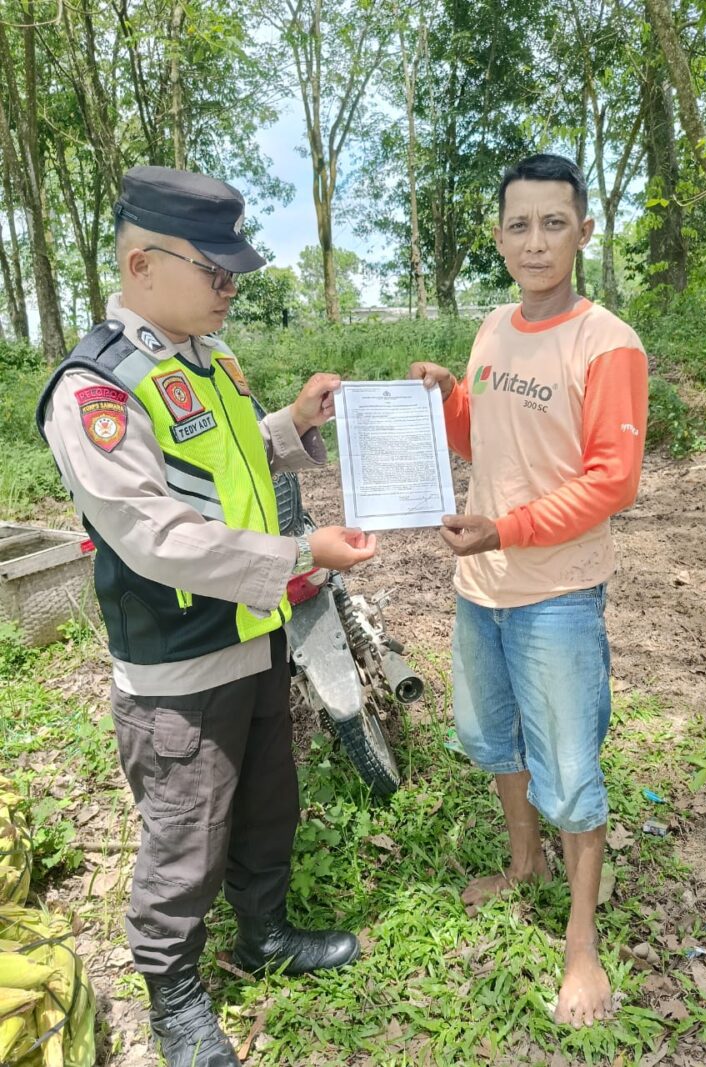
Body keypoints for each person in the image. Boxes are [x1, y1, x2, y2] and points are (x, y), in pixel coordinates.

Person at [36, 166, 376, 1067]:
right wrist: (305, 556)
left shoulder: (205, 359)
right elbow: (156, 535)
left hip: (250, 636)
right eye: (216, 270)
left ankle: (263, 934)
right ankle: (176, 998)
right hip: (179, 664)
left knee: (268, 804)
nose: (231, 287)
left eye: (236, 272)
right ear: (143, 262)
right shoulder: (94, 390)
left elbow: (225, 464)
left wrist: (292, 421)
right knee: (185, 834)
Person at [410, 154, 648, 1029]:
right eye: (519, 224)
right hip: (481, 585)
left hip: (555, 591)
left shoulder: (608, 341)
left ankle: (581, 943)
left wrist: (506, 530)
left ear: (584, 232)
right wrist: (445, 400)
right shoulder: (494, 328)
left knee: (573, 770)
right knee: (488, 733)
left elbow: (612, 480)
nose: (536, 240)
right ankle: (524, 864)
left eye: (555, 223)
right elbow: (483, 434)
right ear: (500, 236)